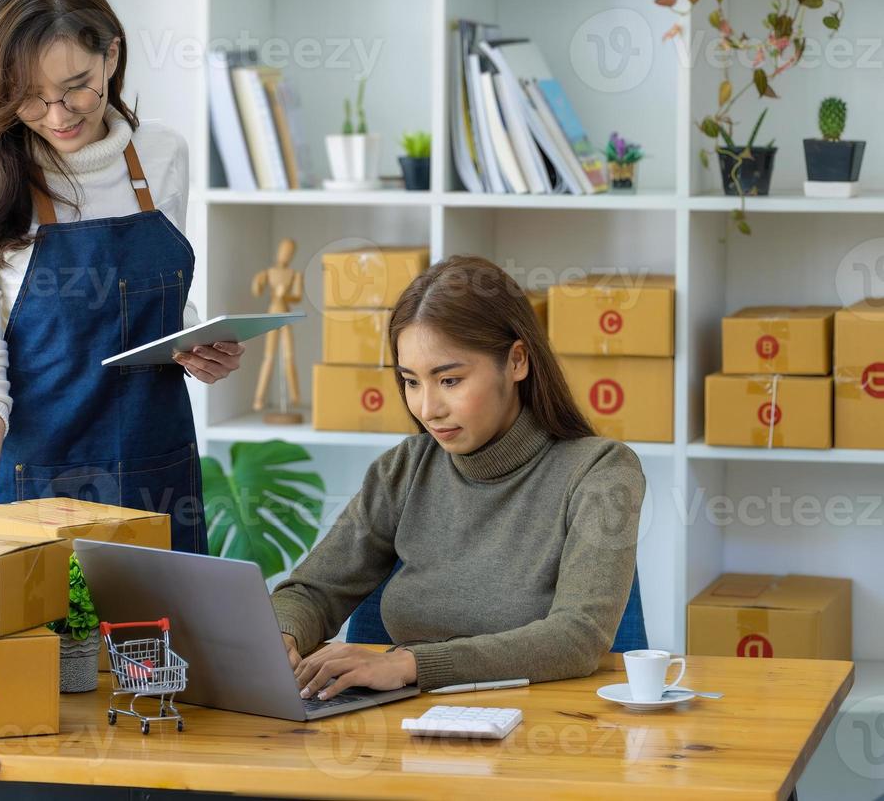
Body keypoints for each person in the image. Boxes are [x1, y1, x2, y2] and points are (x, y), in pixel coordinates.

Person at [0, 0, 243, 553]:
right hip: (41, 494)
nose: (58, 115)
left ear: (112, 57)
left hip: (160, 479)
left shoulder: (163, 156)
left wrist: (194, 345)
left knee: (163, 644)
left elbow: (158, 306)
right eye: (30, 98)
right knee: (59, 647)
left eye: (77, 85)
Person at [273, 255, 644, 699]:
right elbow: (312, 592)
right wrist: (283, 636)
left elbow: (577, 638)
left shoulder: (600, 471)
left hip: (548, 728)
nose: (428, 408)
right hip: (409, 724)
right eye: (411, 381)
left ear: (517, 361)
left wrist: (411, 665)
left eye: (449, 380)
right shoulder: (404, 470)